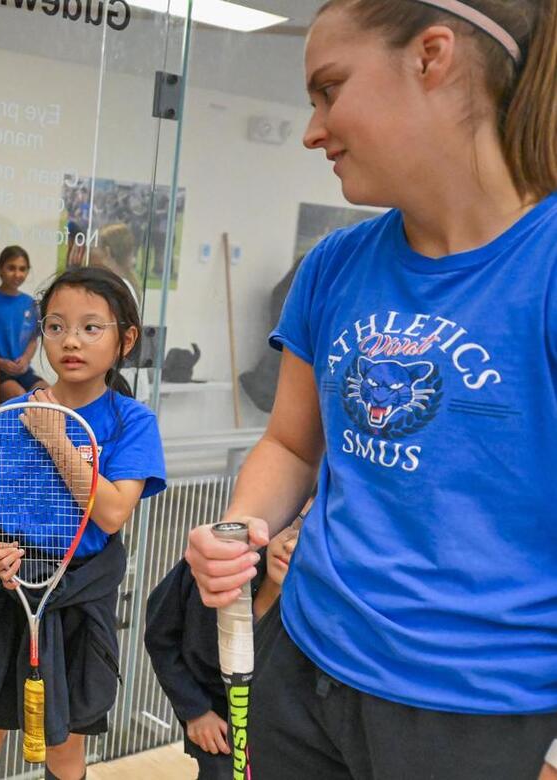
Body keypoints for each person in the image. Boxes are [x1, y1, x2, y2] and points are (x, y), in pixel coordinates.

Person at [183, 2, 557, 779]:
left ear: (431, 57)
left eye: (329, 89)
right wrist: (239, 525)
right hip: (305, 666)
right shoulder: (335, 265)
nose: (312, 129)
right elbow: (291, 444)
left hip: (480, 716)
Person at [0, 266, 167, 780]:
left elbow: (112, 512)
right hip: (8, 589)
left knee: (66, 749)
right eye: (56, 326)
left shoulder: (134, 422)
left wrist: (56, 438)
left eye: (92, 327)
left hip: (80, 600)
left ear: (125, 339)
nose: (72, 341)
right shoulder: (9, 414)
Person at [145, 516, 304, 780]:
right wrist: (194, 711)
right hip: (218, 731)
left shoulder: (325, 617)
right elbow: (160, 636)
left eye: (309, 535)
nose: (291, 544)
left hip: (287, 744)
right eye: (292, 523)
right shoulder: (217, 568)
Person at [0, 246, 48, 400]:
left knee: (47, 394)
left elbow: (33, 339)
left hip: (22, 370)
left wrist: (25, 360)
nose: (17, 274)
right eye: (11, 268)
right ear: (0, 269)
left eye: (22, 269)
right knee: (19, 396)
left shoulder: (30, 304)